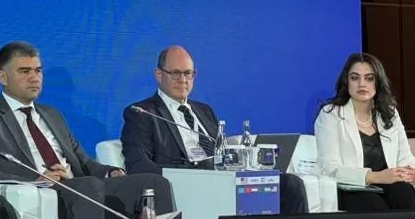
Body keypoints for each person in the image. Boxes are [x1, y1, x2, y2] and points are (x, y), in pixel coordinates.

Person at [0, 41, 174, 219]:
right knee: (89, 186)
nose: (34, 78)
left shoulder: (52, 114)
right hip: (44, 190)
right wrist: (37, 179)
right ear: (2, 77)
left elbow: (84, 162)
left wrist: (110, 171)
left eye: (38, 70)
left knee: (154, 183)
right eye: (24, 71)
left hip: (82, 186)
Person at [121, 45, 308, 214]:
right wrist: (183, 174)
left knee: (291, 184)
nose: (183, 80)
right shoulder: (143, 113)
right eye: (176, 73)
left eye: (188, 73)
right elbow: (137, 165)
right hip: (189, 185)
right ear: (159, 74)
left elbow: (222, 154)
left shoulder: (204, 111)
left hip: (224, 179)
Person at [314, 53, 415, 211]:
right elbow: (329, 168)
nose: (362, 84)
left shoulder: (389, 113)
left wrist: (413, 172)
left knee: (405, 193)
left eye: (369, 78)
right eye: (355, 78)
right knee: (374, 205)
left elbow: (405, 157)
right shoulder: (330, 114)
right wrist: (376, 177)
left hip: (385, 185)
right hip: (349, 187)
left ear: (378, 82)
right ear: (346, 81)